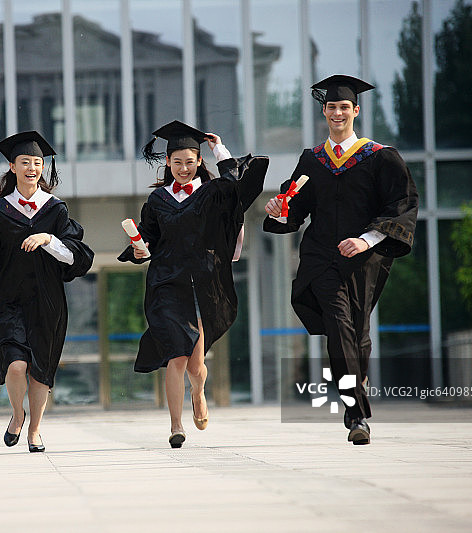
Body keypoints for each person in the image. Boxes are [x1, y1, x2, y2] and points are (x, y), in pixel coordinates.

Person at [263, 75, 419, 445]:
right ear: (324, 111)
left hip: (363, 259)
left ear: (355, 111)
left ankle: (356, 385)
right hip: (320, 256)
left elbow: (401, 205)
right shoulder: (312, 160)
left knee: (357, 333)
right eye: (331, 107)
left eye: (343, 107)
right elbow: (294, 206)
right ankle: (356, 415)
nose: (337, 112)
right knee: (338, 326)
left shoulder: (381, 157)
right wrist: (278, 209)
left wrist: (365, 241)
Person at [118, 121, 268, 448]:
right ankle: (175, 425)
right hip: (166, 283)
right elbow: (149, 239)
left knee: (195, 365)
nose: (183, 168)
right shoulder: (157, 201)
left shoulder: (212, 193)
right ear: (167, 163)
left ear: (199, 161)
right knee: (176, 355)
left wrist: (220, 150)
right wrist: (138, 248)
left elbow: (240, 187)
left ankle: (198, 390)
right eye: (177, 162)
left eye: (190, 161)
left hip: (202, 281)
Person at [0, 131, 94, 453]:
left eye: (37, 162)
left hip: (46, 302)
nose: (32, 167)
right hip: (6, 301)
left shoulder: (56, 211)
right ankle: (17, 414)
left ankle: (35, 430)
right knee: (16, 365)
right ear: (12, 166)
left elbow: (78, 257)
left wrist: (48, 239)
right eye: (25, 162)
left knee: (41, 371)